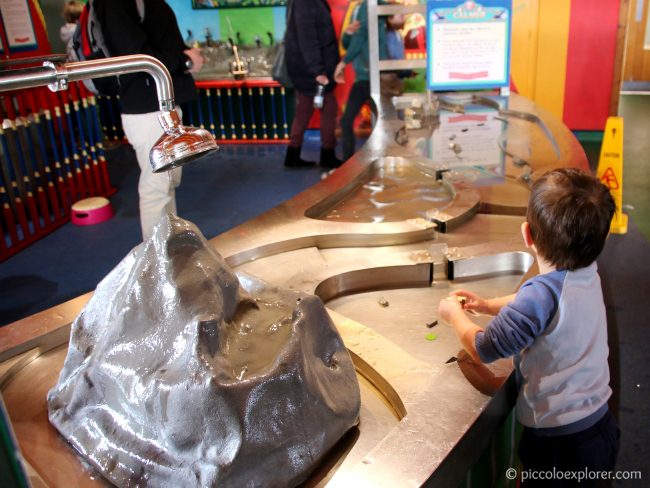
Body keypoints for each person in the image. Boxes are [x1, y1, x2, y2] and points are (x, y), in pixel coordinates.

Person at [438, 168, 620, 486]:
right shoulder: (587, 272)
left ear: (528, 236)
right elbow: (540, 301)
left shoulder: (541, 296)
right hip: (599, 427)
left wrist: (454, 314)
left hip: (560, 446)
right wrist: (487, 304)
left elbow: (484, 348)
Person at [94, 0, 204, 241]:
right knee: (156, 188)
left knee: (166, 185)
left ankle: (168, 247)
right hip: (146, 108)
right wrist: (184, 60)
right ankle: (157, 259)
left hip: (161, 104)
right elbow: (135, 55)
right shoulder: (116, 5)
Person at [283, 0, 341, 169]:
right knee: (329, 109)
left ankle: (293, 155)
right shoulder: (305, 2)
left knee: (304, 110)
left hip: (305, 69)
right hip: (312, 70)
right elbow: (307, 39)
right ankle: (327, 155)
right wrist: (318, 71)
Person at [334, 0, 387, 162]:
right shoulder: (359, 7)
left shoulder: (371, 5)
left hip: (373, 76)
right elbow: (349, 43)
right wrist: (348, 33)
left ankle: (352, 163)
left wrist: (343, 63)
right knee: (379, 121)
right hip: (365, 76)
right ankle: (361, 162)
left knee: (379, 121)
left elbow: (362, 36)